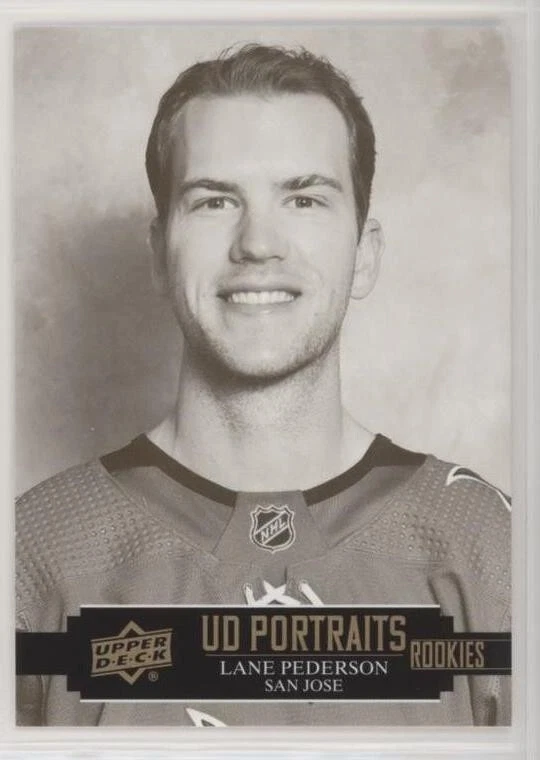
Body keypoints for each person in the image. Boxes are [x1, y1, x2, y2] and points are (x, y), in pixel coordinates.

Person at [16, 43, 510, 727]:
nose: (257, 243)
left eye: (304, 198)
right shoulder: (33, 552)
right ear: (159, 254)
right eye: (215, 200)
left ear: (365, 254)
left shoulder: (491, 546)